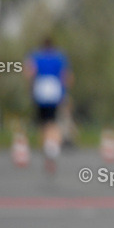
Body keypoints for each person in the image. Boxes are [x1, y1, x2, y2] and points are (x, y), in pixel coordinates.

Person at [25, 37, 73, 174]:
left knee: (43, 122)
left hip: (41, 89)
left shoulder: (36, 56)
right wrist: (66, 92)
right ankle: (52, 147)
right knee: (53, 121)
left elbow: (29, 72)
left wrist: (30, 88)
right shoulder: (60, 57)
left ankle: (46, 149)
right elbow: (66, 76)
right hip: (55, 89)